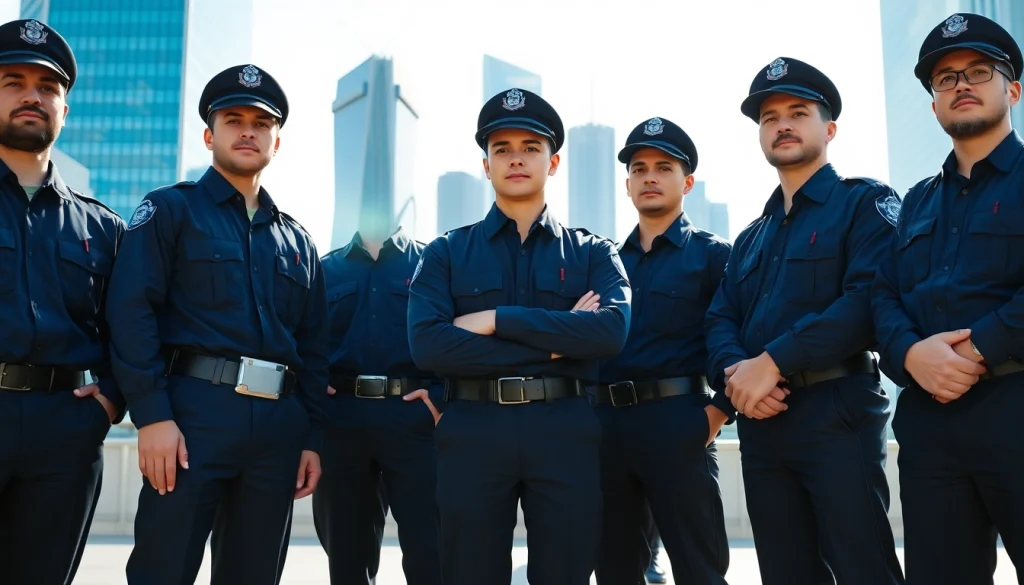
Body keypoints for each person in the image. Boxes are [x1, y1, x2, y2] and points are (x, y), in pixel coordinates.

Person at [106, 64, 329, 585]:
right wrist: (152, 416)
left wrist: (311, 436)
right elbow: (131, 312)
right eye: (234, 119)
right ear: (210, 134)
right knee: (164, 568)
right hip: (190, 420)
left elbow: (316, 348)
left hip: (278, 428)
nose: (248, 130)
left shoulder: (299, 243)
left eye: (261, 122)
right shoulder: (169, 210)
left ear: (278, 140)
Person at [407, 87, 631, 585]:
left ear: (553, 163)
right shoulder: (446, 253)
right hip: (473, 429)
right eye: (502, 149)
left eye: (531, 147)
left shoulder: (594, 253)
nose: (516, 159)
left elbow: (611, 331)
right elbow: (429, 345)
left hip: (565, 429)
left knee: (566, 573)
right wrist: (560, 341)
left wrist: (496, 318)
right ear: (485, 166)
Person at [705, 57, 904, 585]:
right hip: (763, 424)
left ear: (829, 128)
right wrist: (738, 375)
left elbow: (865, 302)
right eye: (770, 118)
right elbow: (721, 317)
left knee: (863, 567)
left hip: (836, 416)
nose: (782, 124)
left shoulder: (865, 203)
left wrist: (772, 361)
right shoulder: (751, 237)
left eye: (798, 112)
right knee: (785, 572)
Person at [872, 13, 1024, 585]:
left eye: (978, 72)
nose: (960, 84)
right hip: (930, 425)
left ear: (1013, 89)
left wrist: (979, 347)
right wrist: (911, 355)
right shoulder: (916, 203)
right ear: (934, 105)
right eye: (945, 79)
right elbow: (883, 296)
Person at [0, 18, 123, 585]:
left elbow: (134, 330)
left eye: (48, 87)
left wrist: (109, 406)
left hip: (65, 429)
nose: (32, 96)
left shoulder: (104, 229)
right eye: (13, 82)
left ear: (65, 109)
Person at [592, 117, 730, 585]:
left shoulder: (714, 256)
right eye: (639, 168)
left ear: (686, 181)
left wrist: (716, 414)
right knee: (614, 571)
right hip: (608, 431)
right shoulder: (604, 261)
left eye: (663, 167)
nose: (649, 176)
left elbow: (741, 339)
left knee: (700, 570)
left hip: (681, 423)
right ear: (628, 184)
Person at [313, 221, 442, 585]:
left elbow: (454, 334)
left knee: (432, 551)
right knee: (346, 556)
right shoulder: (325, 269)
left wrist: (439, 396)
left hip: (414, 419)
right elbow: (304, 339)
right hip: (341, 421)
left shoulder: (431, 263)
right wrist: (314, 384)